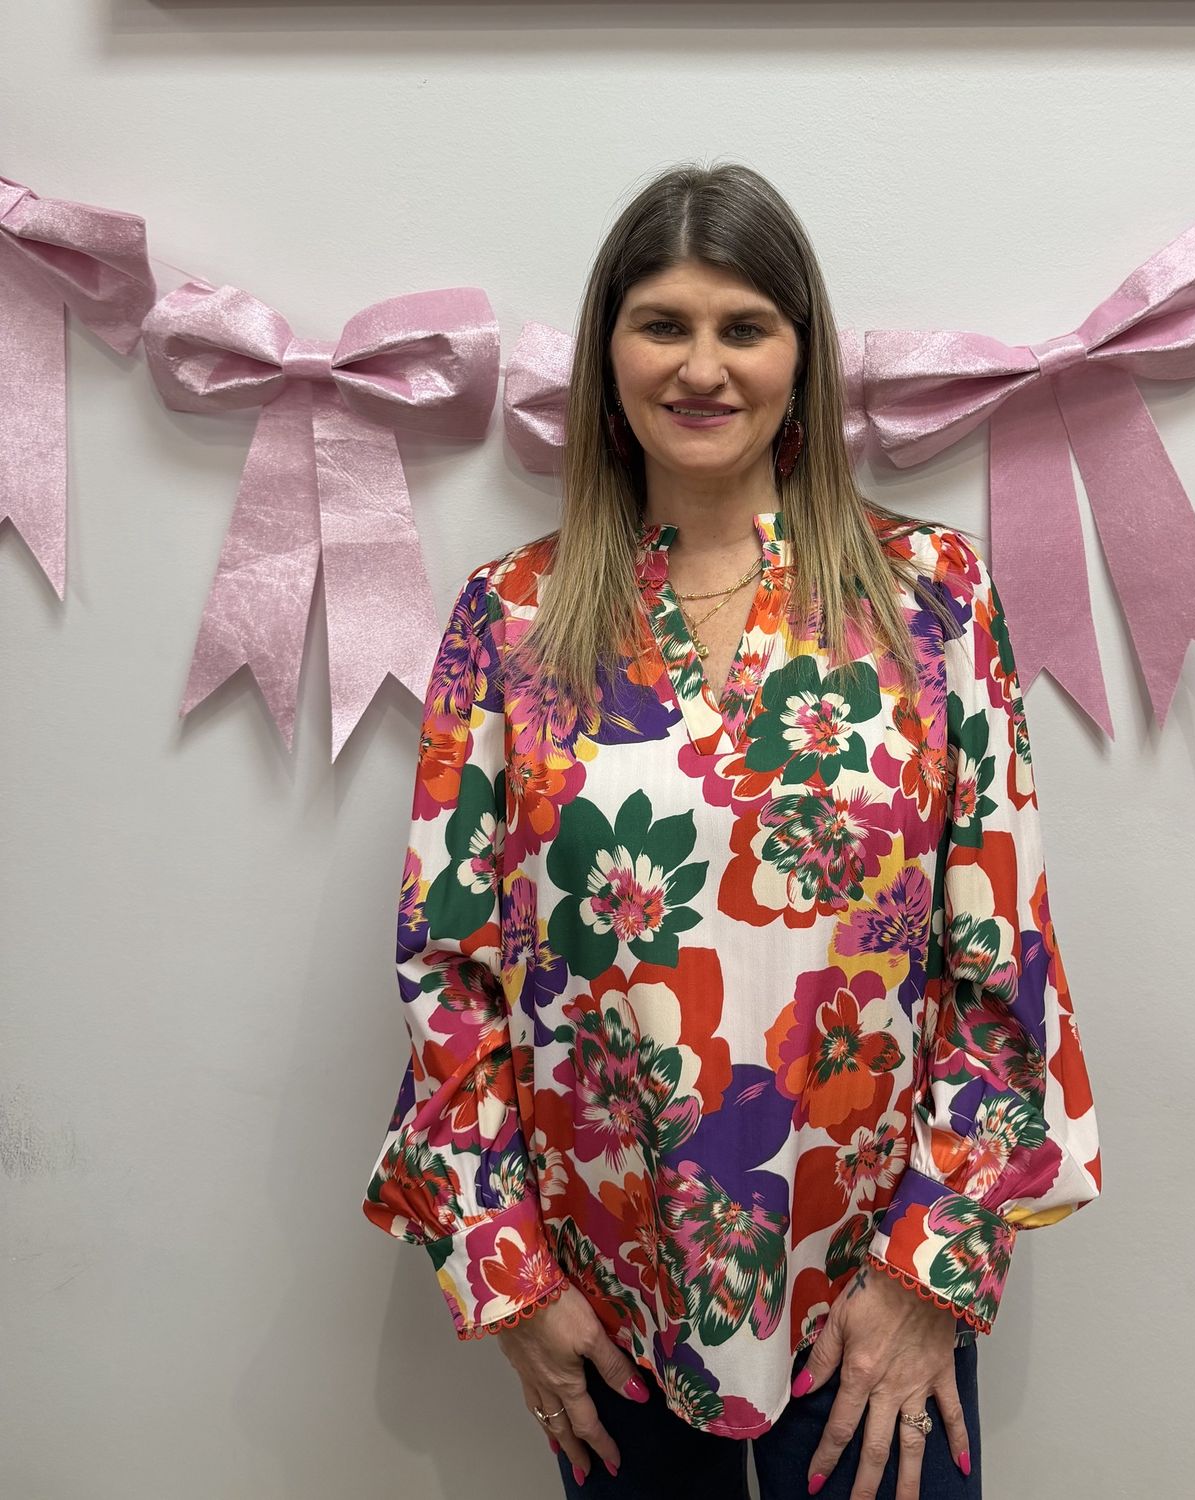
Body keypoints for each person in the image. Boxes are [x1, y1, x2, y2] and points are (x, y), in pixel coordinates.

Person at [362, 160, 1102, 1500]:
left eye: (743, 327)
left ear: (799, 358)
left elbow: (1003, 958)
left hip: (875, 1298)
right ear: (608, 357)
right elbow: (448, 970)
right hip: (606, 1305)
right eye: (663, 324)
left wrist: (929, 1275)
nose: (701, 367)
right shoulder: (511, 621)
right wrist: (509, 1278)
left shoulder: (929, 601)